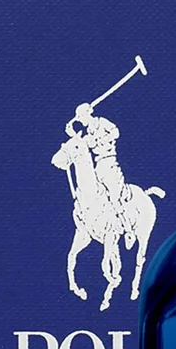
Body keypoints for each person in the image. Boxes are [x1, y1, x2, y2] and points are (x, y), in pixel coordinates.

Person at [66, 104, 135, 248]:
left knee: (114, 198)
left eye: (81, 118)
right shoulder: (87, 133)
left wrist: (99, 139)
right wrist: (72, 134)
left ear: (87, 115)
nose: (81, 121)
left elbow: (116, 132)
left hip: (110, 164)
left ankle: (128, 231)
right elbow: (81, 145)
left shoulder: (101, 122)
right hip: (98, 166)